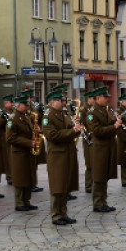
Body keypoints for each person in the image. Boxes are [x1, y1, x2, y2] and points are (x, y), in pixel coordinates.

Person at [42, 89, 81, 225]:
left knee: (65, 185)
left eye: (64, 100)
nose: (64, 102)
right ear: (53, 101)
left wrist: (76, 128)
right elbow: (52, 135)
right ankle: (56, 215)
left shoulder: (63, 114)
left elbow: (71, 130)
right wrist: (72, 131)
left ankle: (63, 212)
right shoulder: (48, 116)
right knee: (57, 186)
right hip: (57, 155)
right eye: (61, 100)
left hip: (67, 153)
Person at [86, 86, 120, 212]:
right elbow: (97, 131)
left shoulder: (104, 109)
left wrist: (115, 123)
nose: (107, 100)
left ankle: (103, 201)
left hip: (107, 147)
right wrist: (114, 127)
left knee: (104, 176)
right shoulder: (92, 112)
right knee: (99, 176)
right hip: (99, 148)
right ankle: (97, 203)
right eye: (105, 97)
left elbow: (107, 125)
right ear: (98, 98)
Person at [6, 95, 38, 214]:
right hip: (18, 153)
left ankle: (26, 201)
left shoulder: (26, 117)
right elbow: (10, 138)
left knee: (28, 176)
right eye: (25, 105)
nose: (27, 107)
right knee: (20, 178)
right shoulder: (13, 119)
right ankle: (19, 203)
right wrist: (29, 143)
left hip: (27, 152)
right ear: (18, 105)